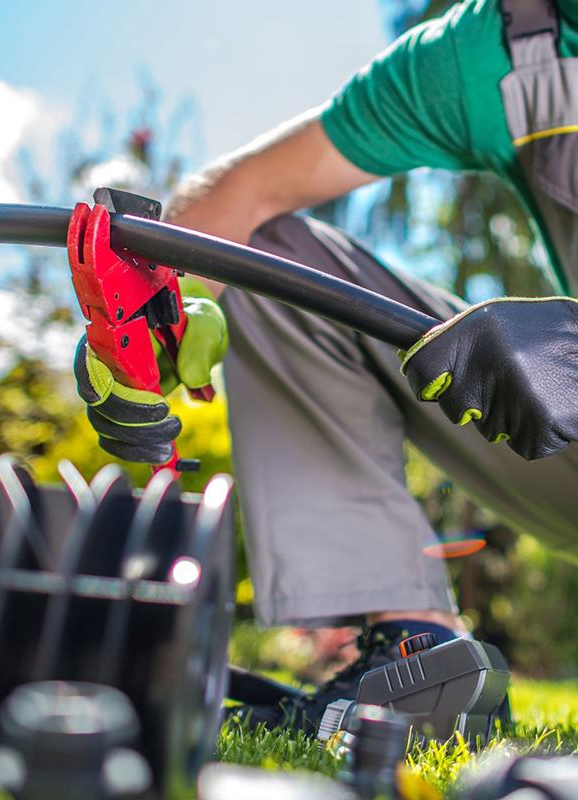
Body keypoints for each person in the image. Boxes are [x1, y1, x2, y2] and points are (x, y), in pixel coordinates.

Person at [73, 0, 578, 733]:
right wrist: (137, 329)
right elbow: (241, 194)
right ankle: (418, 654)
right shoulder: (494, 51)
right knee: (268, 257)